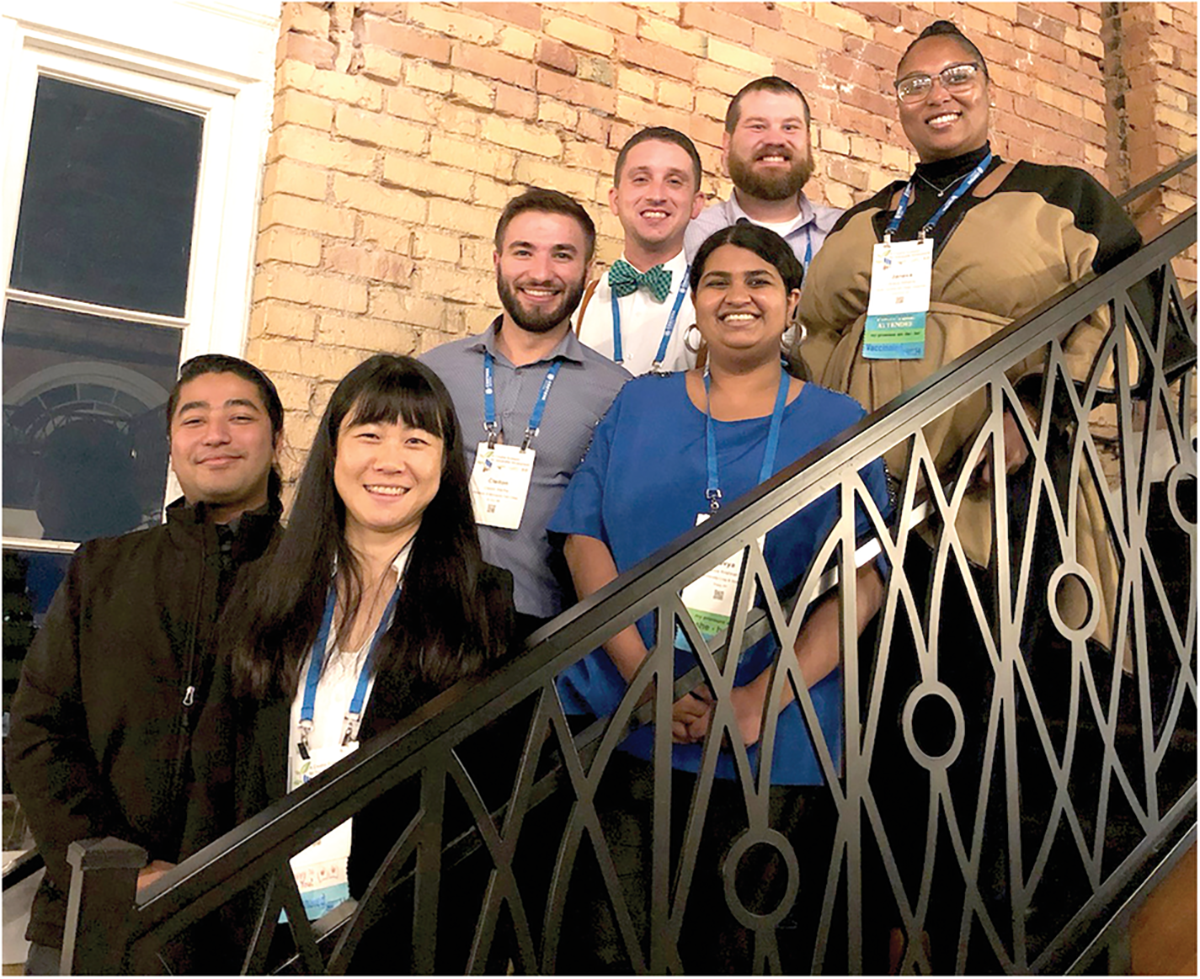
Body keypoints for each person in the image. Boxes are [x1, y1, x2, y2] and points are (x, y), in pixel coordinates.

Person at [548, 225, 890, 971]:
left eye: (760, 280)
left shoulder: (838, 423)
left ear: (793, 301)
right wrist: (647, 679)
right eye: (717, 282)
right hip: (625, 721)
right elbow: (583, 539)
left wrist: (759, 699)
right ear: (695, 303)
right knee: (607, 950)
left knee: (743, 955)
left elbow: (860, 582)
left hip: (775, 739)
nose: (738, 295)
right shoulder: (639, 405)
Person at [798, 19, 1142, 651]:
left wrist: (1037, 409)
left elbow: (1129, 313)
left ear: (989, 90)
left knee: (989, 681)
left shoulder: (1064, 194)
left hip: (998, 475)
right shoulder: (864, 217)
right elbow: (811, 342)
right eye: (916, 84)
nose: (939, 95)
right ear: (898, 105)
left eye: (958, 76)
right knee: (866, 686)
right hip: (860, 484)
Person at [188, 354, 515, 970]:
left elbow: (482, 798)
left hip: (392, 927)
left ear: (444, 466)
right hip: (254, 924)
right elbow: (216, 767)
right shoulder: (263, 588)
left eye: (417, 440)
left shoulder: (484, 600)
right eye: (368, 435)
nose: (390, 461)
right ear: (332, 452)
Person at [6, 354, 285, 975]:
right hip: (90, 911)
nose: (216, 434)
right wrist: (111, 861)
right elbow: (38, 730)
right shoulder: (102, 570)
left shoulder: (314, 579)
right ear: (171, 444)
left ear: (276, 439)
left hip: (251, 931)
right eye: (194, 419)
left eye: (240, 416)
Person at [421, 187, 630, 636]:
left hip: (542, 636)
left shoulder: (619, 395)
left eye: (562, 255)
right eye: (523, 252)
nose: (541, 272)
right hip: (423, 617)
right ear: (497, 261)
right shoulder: (433, 372)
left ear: (588, 270)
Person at [573, 127, 706, 375]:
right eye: (641, 179)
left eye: (674, 181)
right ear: (615, 199)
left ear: (696, 204)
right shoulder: (579, 304)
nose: (656, 195)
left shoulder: (712, 307)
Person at [684, 76, 842, 273]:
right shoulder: (690, 235)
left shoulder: (845, 234)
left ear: (809, 142)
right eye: (758, 126)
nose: (775, 139)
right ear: (727, 143)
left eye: (789, 127)